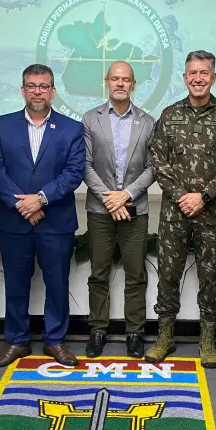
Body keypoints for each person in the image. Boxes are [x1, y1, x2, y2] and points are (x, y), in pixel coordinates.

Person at [0, 64, 85, 369]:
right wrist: (21, 205)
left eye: (43, 86)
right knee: (16, 283)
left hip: (55, 221)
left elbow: (74, 172)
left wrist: (40, 199)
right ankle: (17, 341)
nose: (37, 91)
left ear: (53, 91)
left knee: (57, 282)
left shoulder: (71, 128)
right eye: (31, 86)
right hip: (14, 221)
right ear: (23, 90)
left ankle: (55, 340)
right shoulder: (2, 125)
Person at [147, 50, 216, 368]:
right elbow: (157, 160)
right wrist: (180, 195)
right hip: (174, 214)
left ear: (213, 78)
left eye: (204, 73)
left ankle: (207, 340)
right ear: (184, 77)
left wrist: (203, 195)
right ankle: (164, 337)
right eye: (192, 73)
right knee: (168, 275)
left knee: (210, 277)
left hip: (211, 214)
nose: (198, 78)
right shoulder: (169, 114)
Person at [82, 61, 156, 358]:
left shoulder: (148, 122)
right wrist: (110, 199)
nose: (120, 84)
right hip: (100, 210)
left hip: (134, 209)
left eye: (126, 79)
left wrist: (125, 195)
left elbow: (153, 167)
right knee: (98, 273)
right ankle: (98, 330)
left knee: (135, 274)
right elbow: (85, 165)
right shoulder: (90, 119)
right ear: (107, 82)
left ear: (134, 84)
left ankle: (135, 333)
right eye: (115, 79)